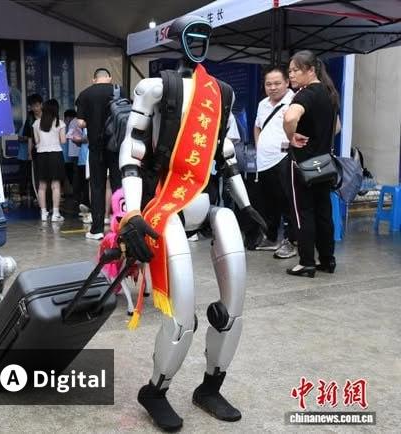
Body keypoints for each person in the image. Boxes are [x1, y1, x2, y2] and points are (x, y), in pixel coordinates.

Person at [117, 15, 266, 431]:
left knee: (233, 307)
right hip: (164, 209)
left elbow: (227, 157)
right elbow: (132, 153)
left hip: (207, 204)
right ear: (176, 39)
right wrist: (132, 214)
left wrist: (246, 206)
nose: (198, 42)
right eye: (191, 35)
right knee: (181, 315)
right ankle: (156, 390)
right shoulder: (153, 88)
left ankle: (211, 386)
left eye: (204, 36)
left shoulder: (222, 93)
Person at [284, 50, 340, 277]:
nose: (291, 75)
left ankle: (306, 262)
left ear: (310, 70)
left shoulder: (306, 94)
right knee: (323, 211)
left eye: (296, 70)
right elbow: (337, 127)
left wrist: (291, 136)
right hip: (324, 164)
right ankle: (327, 260)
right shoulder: (329, 93)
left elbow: (290, 117)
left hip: (302, 164)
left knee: (303, 212)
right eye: (290, 71)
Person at [253, 67, 298, 259]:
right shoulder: (262, 104)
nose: (272, 87)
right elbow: (257, 126)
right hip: (264, 162)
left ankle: (291, 241)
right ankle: (271, 238)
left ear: (287, 82)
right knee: (268, 203)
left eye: (277, 83)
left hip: (284, 159)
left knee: (288, 203)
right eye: (268, 84)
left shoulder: (294, 101)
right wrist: (259, 145)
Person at [76, 67, 125, 240]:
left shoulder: (85, 94)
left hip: (96, 147)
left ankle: (96, 230)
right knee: (118, 184)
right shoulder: (119, 91)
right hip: (116, 146)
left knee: (97, 186)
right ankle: (121, 226)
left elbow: (81, 123)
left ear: (94, 79)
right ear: (109, 78)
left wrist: (92, 120)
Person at [33, 99, 66, 222]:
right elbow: (63, 141)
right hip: (55, 154)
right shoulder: (60, 123)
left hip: (41, 155)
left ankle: (43, 213)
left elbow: (37, 141)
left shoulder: (36, 123)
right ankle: (55, 214)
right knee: (55, 185)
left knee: (42, 185)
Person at [20, 94, 43, 201]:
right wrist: (29, 153)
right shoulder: (30, 117)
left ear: (41, 105)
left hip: (48, 149)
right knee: (36, 175)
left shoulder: (47, 116)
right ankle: (38, 197)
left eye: (37, 106)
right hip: (36, 150)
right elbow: (29, 137)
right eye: (33, 106)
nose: (35, 108)